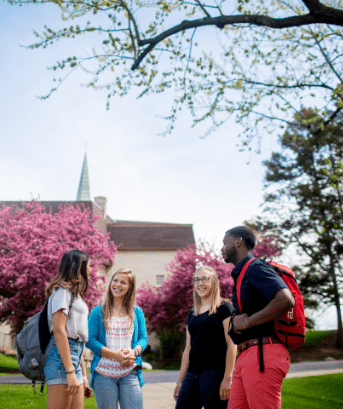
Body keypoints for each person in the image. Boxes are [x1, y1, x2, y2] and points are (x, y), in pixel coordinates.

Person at [221, 226, 295, 409]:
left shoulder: (256, 267)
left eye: (224, 242)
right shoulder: (242, 274)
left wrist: (247, 322)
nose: (221, 248)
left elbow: (286, 300)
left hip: (263, 352)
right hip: (246, 355)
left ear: (238, 241)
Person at [173, 265, 237, 409]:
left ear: (214, 282)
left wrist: (228, 378)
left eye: (204, 279)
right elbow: (188, 349)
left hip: (214, 374)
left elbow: (232, 344)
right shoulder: (192, 313)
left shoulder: (224, 308)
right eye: (196, 280)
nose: (200, 283)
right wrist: (180, 381)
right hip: (192, 375)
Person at [86, 268, 148, 409]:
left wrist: (134, 352)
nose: (117, 285)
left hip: (130, 372)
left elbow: (143, 338)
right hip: (103, 374)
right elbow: (90, 340)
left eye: (123, 282)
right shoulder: (98, 312)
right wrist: (115, 356)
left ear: (130, 287)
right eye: (115, 280)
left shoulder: (136, 312)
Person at [44, 249, 91, 409]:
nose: (91, 270)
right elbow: (59, 330)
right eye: (89, 266)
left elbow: (78, 340)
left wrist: (83, 374)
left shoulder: (75, 295)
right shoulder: (62, 292)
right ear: (79, 268)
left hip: (75, 358)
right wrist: (70, 372)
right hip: (60, 360)